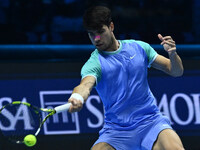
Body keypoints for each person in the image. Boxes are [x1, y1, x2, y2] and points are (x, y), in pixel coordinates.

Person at [68, 6, 185, 150]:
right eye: (91, 34)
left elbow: (176, 71)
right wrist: (78, 97)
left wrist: (173, 54)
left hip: (151, 122)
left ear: (111, 26)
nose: (96, 39)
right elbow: (85, 85)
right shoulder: (94, 63)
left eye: (100, 32)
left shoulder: (139, 48)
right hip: (117, 132)